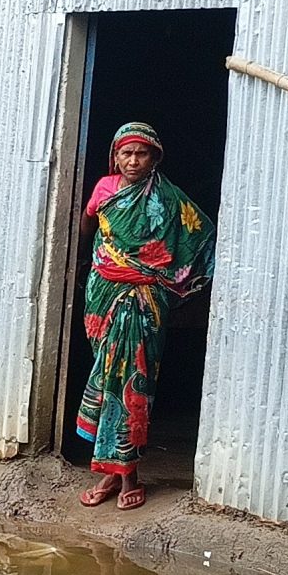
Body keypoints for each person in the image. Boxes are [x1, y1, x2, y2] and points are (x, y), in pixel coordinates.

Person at [77, 121, 213, 510]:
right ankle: (110, 473)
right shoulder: (104, 189)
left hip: (145, 298)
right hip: (102, 294)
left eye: (141, 154)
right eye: (126, 153)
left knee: (133, 380)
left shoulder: (168, 199)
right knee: (106, 375)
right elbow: (89, 223)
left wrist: (169, 279)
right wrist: (97, 259)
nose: (132, 161)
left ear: (154, 159)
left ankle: (127, 473)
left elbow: (200, 235)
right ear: (115, 157)